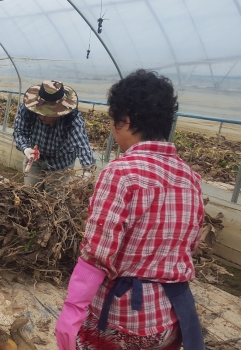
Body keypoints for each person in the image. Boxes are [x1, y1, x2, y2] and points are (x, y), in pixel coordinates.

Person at [54, 70, 205, 350]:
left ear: (126, 121)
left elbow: (98, 254)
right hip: (169, 318)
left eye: (113, 121)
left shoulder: (121, 173)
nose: (113, 128)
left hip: (123, 322)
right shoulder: (190, 178)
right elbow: (190, 245)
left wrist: (73, 309)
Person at [13, 80, 95, 190]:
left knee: (53, 199)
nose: (47, 118)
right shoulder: (28, 109)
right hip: (35, 158)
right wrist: (25, 148)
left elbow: (81, 143)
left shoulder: (71, 117)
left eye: (51, 114)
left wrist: (87, 170)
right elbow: (19, 131)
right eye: (43, 114)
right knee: (30, 193)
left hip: (60, 163)